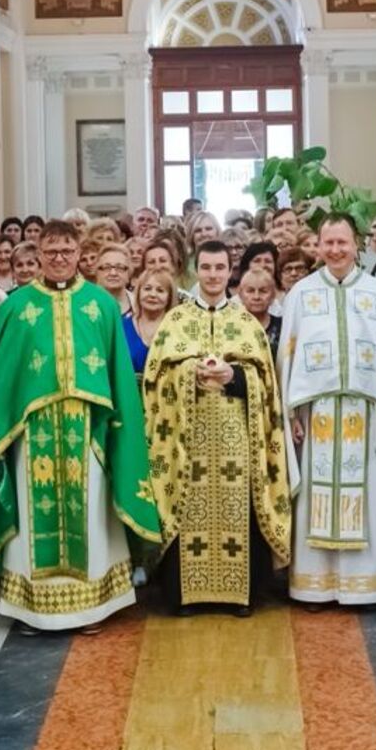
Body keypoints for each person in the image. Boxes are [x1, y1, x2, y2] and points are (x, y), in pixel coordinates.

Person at [0, 221, 162, 632]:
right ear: (39, 255)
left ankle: (92, 607)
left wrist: (116, 426)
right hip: (31, 430)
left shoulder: (100, 305)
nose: (59, 259)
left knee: (91, 513)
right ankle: (32, 609)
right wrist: (2, 423)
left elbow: (117, 376)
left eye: (67, 251)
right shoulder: (16, 306)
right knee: (30, 513)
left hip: (87, 429)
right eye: (51, 251)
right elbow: (2, 376)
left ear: (80, 254)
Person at [143, 240, 292, 615]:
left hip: (235, 440)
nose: (212, 275)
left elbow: (267, 383)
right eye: (205, 268)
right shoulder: (175, 321)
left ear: (230, 272)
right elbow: (154, 380)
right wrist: (184, 373)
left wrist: (234, 374)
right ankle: (184, 594)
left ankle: (240, 595)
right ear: (196, 270)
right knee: (187, 505)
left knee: (238, 506)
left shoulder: (246, 324)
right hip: (185, 441)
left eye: (219, 268)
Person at [278, 214, 376, 606]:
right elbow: (289, 357)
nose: (335, 250)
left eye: (343, 242)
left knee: (370, 492)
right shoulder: (301, 294)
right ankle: (316, 584)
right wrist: (294, 412)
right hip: (317, 415)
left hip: (368, 416)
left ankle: (369, 582)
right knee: (316, 492)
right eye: (328, 242)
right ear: (317, 245)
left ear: (357, 245)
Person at [123, 268, 178, 375]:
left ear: (169, 297)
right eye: (147, 289)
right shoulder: (122, 327)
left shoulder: (177, 329)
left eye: (160, 290)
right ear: (138, 293)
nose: (153, 295)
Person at [236, 268, 281, 354]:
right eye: (250, 291)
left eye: (263, 291)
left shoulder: (283, 327)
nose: (256, 297)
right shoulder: (230, 326)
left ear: (273, 295)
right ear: (240, 295)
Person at [94, 245, 134, 313]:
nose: (113, 273)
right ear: (97, 272)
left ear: (129, 273)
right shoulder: (82, 303)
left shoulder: (141, 305)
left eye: (120, 267)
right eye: (106, 267)